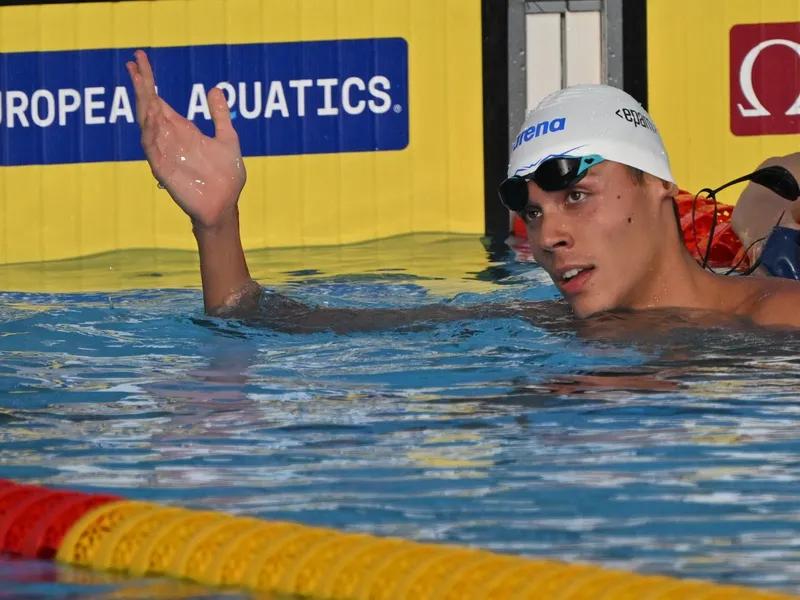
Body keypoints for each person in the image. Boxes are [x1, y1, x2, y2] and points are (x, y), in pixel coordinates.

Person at [125, 49, 800, 334]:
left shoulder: (772, 319)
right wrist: (217, 224)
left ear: (657, 188)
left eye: (577, 196)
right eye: (532, 212)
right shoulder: (546, 325)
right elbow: (272, 322)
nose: (548, 237)